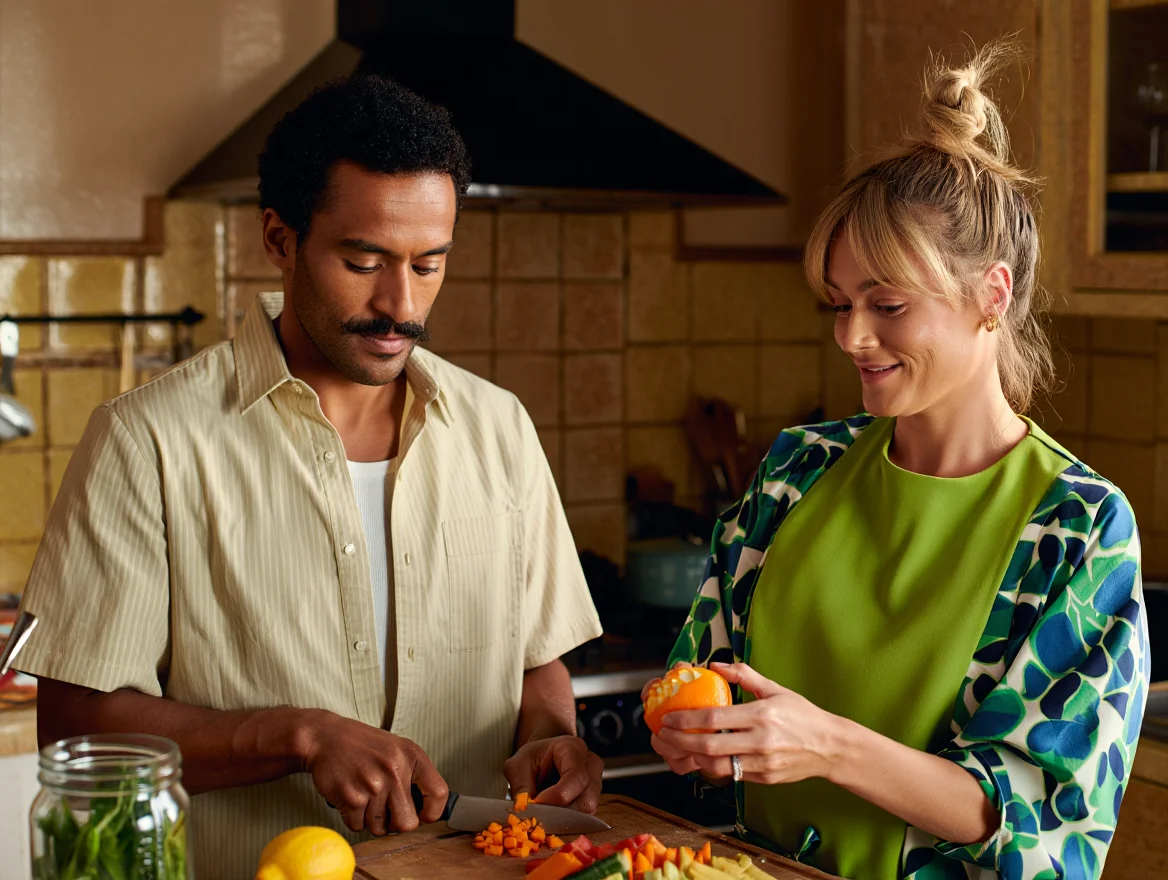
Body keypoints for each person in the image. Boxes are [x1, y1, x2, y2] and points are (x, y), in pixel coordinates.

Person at [16, 74, 603, 877]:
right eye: (364, 261)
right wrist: (299, 736)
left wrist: (550, 737)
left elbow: (539, 662)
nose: (402, 304)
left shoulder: (499, 427)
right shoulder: (146, 440)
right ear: (280, 238)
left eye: (430, 264)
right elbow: (78, 728)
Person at [648, 42, 1149, 880]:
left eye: (887, 305)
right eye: (840, 304)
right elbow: (704, 673)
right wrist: (690, 730)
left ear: (991, 296)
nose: (851, 336)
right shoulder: (797, 470)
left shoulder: (1076, 526)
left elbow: (1038, 822)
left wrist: (826, 746)